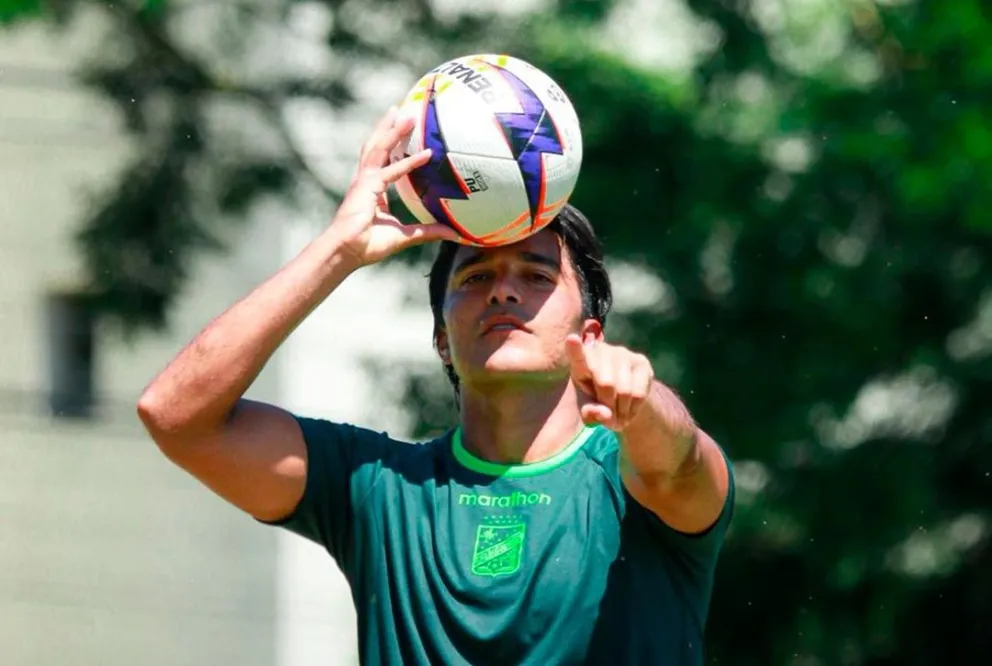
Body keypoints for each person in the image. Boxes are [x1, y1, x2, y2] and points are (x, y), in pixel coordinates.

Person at [137, 107, 734, 666]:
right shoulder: (377, 487)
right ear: (442, 339)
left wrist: (644, 401)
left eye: (536, 273)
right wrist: (338, 250)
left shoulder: (632, 478)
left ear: (593, 335)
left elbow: (677, 464)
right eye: (475, 276)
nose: (503, 290)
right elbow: (175, 415)